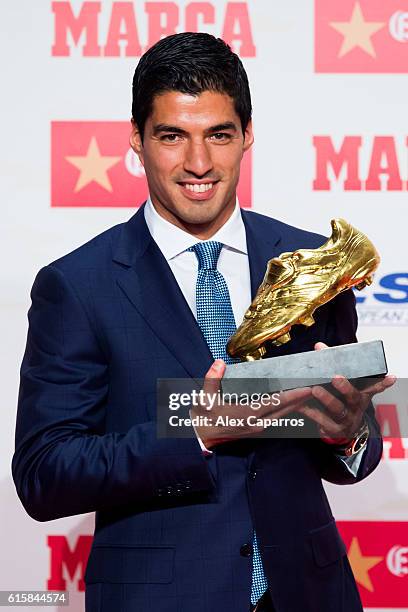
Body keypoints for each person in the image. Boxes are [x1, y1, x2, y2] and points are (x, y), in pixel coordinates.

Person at [13, 33, 394, 612]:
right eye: (172, 136)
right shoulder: (79, 285)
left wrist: (349, 432)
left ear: (247, 136)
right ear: (138, 142)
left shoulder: (314, 265)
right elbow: (45, 474)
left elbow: (352, 456)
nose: (198, 163)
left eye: (219, 134)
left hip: (310, 595)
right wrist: (196, 434)